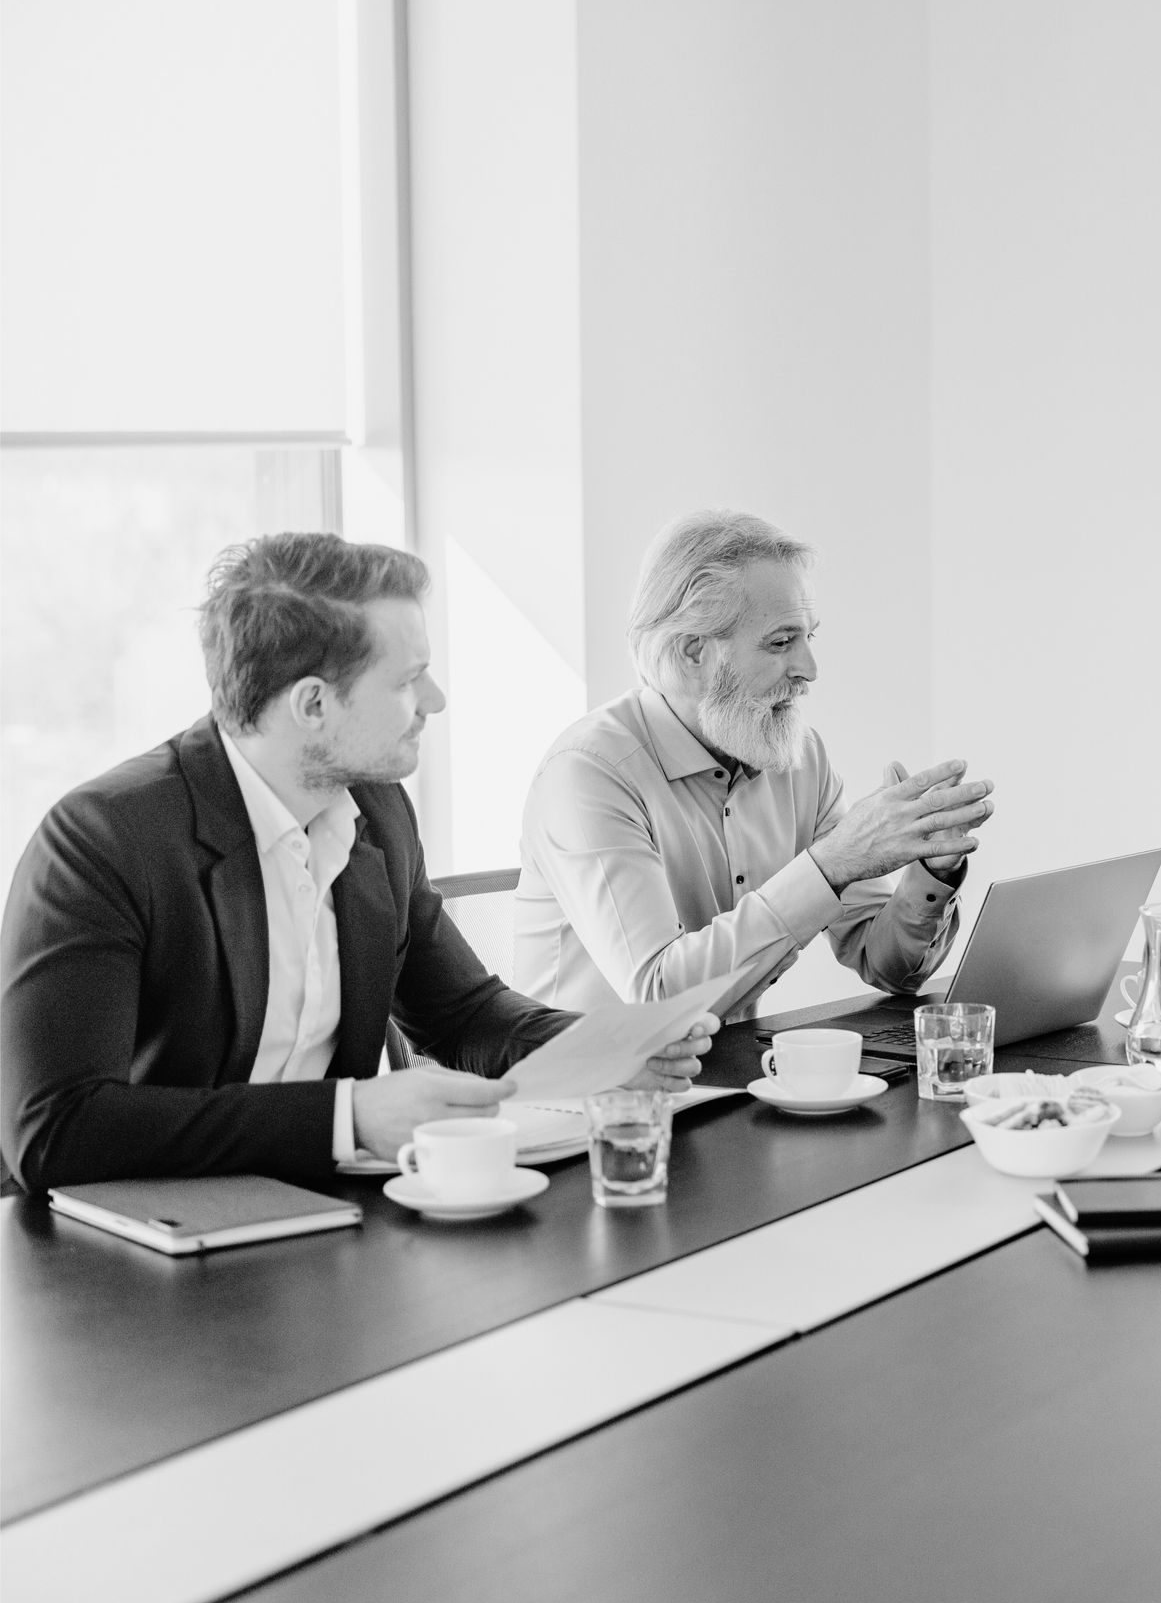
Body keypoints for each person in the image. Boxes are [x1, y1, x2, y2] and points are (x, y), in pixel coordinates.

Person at [0, 533, 714, 1195]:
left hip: (331, 1216)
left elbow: (461, 1015)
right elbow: (54, 1129)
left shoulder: (379, 811)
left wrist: (603, 1051)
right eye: (410, 680)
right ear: (312, 703)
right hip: (137, 1253)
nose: (436, 701)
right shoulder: (102, 839)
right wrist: (349, 1114)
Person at [515, 510, 993, 1021]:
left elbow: (886, 964)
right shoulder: (588, 772)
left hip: (727, 1080)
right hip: (592, 1092)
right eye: (782, 641)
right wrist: (833, 863)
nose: (810, 669)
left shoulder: (800, 757)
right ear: (694, 652)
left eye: (810, 637)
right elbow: (658, 995)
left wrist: (932, 873)